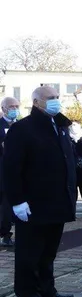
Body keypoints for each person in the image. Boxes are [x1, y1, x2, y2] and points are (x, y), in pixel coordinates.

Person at [3, 86, 76, 297]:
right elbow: (11, 167)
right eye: (50, 98)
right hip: (33, 202)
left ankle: (47, 289)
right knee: (29, 252)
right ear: (36, 102)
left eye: (57, 97)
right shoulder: (23, 129)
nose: (55, 101)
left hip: (57, 199)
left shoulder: (60, 126)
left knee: (49, 250)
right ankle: (28, 293)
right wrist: (17, 200)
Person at [0, 97, 20, 247]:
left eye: (16, 106)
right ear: (4, 108)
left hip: (15, 171)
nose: (14, 108)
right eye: (11, 106)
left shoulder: (21, 125)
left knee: (8, 204)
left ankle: (6, 234)